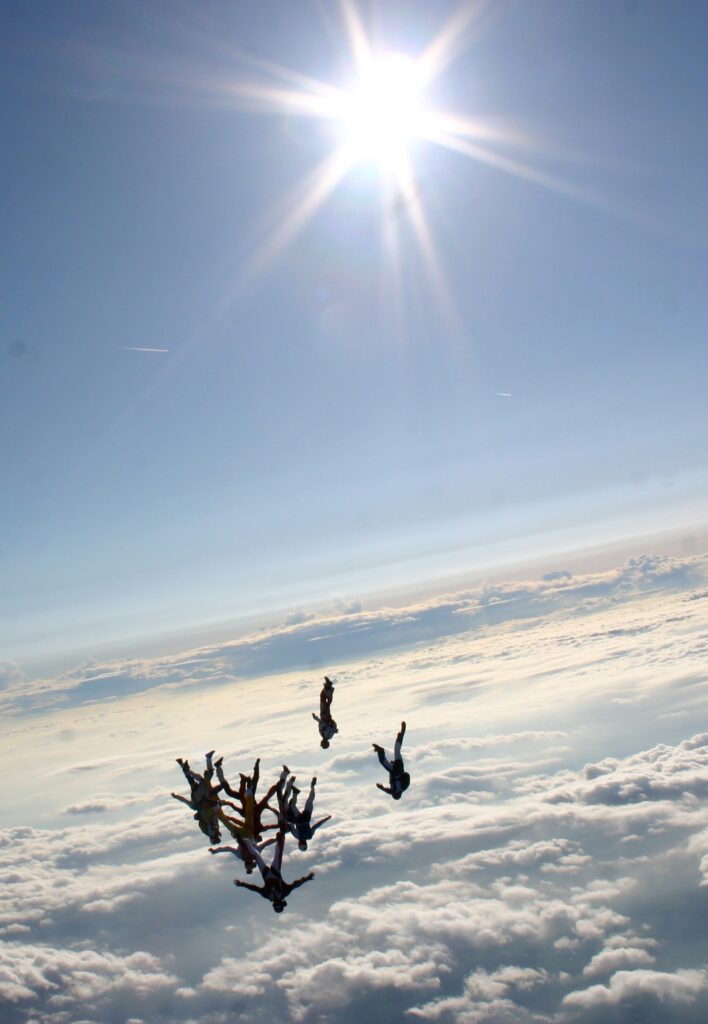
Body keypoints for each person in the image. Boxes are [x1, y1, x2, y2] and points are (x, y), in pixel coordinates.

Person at [233, 832, 315, 913]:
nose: (277, 902)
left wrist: (242, 884)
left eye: (276, 904)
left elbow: (254, 888)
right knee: (274, 854)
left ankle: (242, 840)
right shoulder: (280, 893)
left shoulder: (271, 895)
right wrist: (306, 878)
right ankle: (280, 835)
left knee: (262, 855)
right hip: (273, 873)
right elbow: (296, 884)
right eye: (278, 904)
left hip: (268, 874)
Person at [172, 750, 223, 843]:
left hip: (203, 795)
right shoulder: (198, 808)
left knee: (202, 778)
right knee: (192, 780)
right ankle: (184, 766)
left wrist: (176, 797)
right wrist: (176, 797)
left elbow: (186, 801)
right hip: (202, 796)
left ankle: (206, 759)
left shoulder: (200, 809)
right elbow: (185, 801)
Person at [284, 776, 331, 851]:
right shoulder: (297, 836)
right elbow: (291, 825)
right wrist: (286, 821)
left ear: (306, 843)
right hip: (298, 820)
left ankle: (312, 787)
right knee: (292, 805)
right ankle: (295, 793)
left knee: (310, 800)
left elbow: (316, 826)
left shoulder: (310, 836)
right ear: (299, 844)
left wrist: (326, 819)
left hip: (306, 818)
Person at [373, 722, 410, 800]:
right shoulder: (396, 790)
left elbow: (391, 789)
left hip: (400, 767)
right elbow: (390, 791)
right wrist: (382, 788)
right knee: (383, 762)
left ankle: (401, 735)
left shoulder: (401, 788)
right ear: (396, 794)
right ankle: (380, 751)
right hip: (396, 771)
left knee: (397, 750)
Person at [209, 835, 276, 874]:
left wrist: (215, 851)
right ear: (252, 860)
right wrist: (276, 839)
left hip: (241, 835)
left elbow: (228, 848)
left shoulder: (239, 855)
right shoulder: (255, 852)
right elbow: (266, 843)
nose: (248, 859)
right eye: (249, 861)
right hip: (250, 835)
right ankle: (256, 838)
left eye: (247, 862)